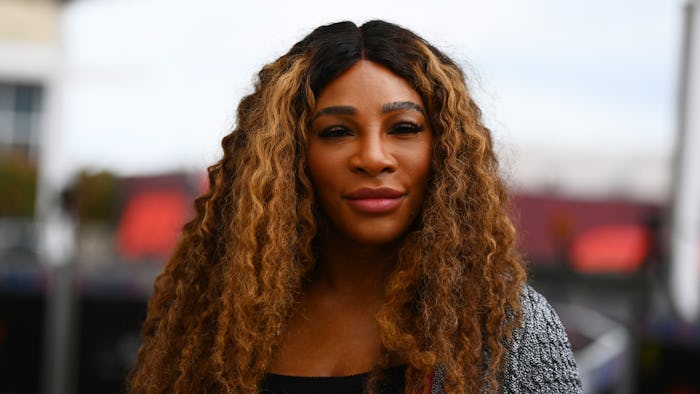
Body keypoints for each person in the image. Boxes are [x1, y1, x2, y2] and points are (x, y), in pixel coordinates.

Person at [128, 20, 582, 394]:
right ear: (291, 155)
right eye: (337, 132)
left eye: (403, 127)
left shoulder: (505, 327)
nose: (372, 157)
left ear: (443, 149)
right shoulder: (223, 317)